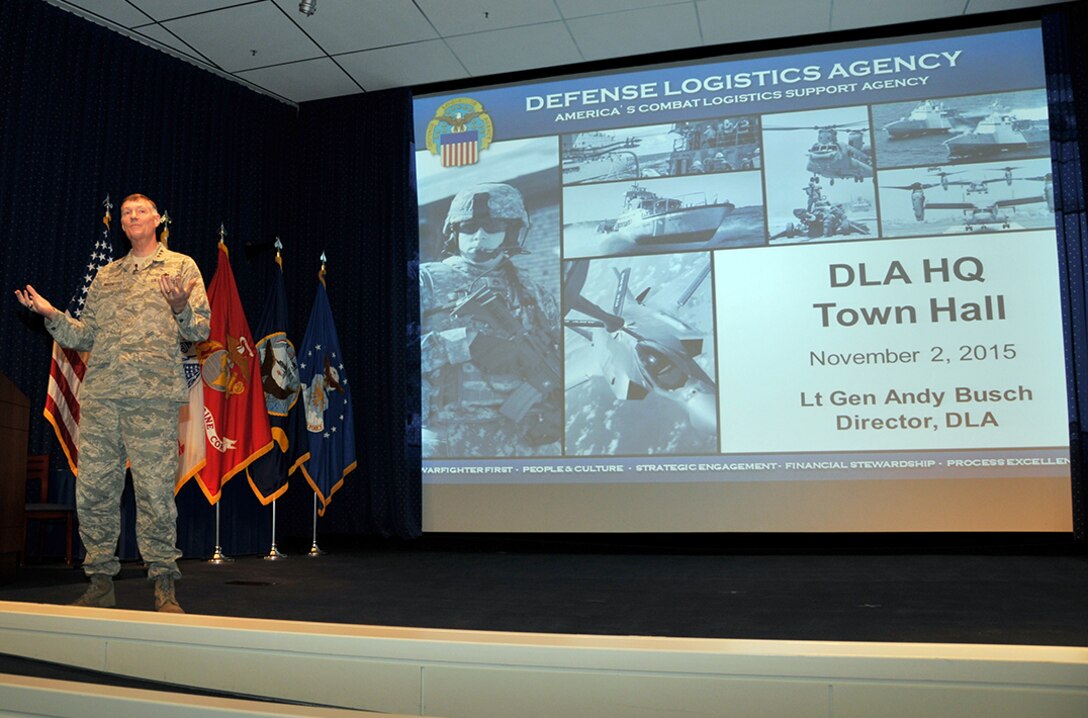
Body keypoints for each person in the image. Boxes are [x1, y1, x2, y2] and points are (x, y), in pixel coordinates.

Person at [15, 193, 210, 613]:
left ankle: (163, 585)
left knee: (155, 493)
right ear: (121, 225)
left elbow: (199, 331)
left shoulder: (181, 266)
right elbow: (85, 337)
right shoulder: (106, 276)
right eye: (126, 213)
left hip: (152, 400)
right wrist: (52, 314)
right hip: (103, 398)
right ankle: (100, 582)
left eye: (141, 211)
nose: (133, 216)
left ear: (157, 219)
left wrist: (179, 307)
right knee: (95, 493)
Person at [419, 182, 561, 458]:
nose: (479, 236)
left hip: (526, 441)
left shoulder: (533, 292)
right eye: (468, 228)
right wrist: (462, 344)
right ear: (453, 232)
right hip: (451, 442)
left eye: (493, 227)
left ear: (511, 231)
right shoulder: (425, 282)